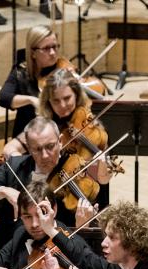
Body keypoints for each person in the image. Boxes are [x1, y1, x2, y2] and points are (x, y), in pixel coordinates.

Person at [0, 117, 98, 257]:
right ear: (28, 148)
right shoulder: (16, 166)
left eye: (50, 146)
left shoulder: (76, 173)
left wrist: (82, 225)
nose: (45, 155)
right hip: (10, 253)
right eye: (37, 149)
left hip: (56, 254)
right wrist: (5, 191)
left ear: (60, 141)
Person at [34, 68, 113, 204]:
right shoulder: (44, 127)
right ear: (48, 102)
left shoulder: (94, 129)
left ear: (76, 95)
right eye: (56, 101)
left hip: (90, 196)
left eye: (67, 98)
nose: (62, 105)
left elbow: (103, 180)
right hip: (57, 196)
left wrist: (103, 165)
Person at [0, 25, 63, 145]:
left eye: (55, 46)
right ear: (33, 53)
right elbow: (3, 98)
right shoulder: (21, 72)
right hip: (27, 139)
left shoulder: (62, 71)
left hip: (58, 138)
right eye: (46, 48)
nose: (53, 53)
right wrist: (31, 100)